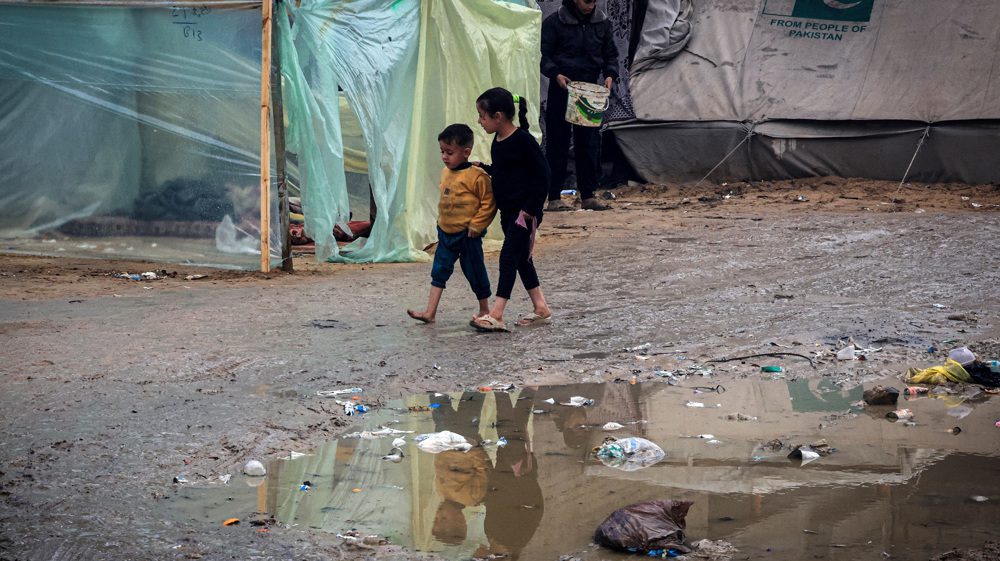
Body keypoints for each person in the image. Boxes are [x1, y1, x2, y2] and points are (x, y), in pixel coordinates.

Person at [471, 88, 552, 332]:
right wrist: (483, 167)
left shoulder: (523, 140)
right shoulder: (498, 141)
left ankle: (496, 314)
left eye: (482, 116)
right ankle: (541, 308)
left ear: (499, 116)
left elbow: (543, 175)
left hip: (523, 214)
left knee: (508, 258)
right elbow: (504, 171)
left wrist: (531, 209)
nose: (479, 121)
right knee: (522, 261)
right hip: (508, 212)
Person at [408, 124, 496, 324]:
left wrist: (476, 226)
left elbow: (488, 203)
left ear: (466, 152)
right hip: (446, 233)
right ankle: (430, 312)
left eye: (450, 152)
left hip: (468, 235)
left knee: (475, 271)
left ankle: (484, 309)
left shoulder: (478, 176)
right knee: (439, 270)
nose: (444, 157)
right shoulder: (445, 172)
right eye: (442, 152)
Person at [541, 0, 619, 212]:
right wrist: (554, 73)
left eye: (593, 1)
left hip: (589, 91)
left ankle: (587, 195)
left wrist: (610, 75)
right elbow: (544, 55)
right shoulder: (554, 23)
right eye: (586, 1)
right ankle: (554, 197)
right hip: (562, 89)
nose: (590, 5)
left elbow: (610, 55)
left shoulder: (602, 23)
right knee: (558, 143)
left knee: (588, 143)